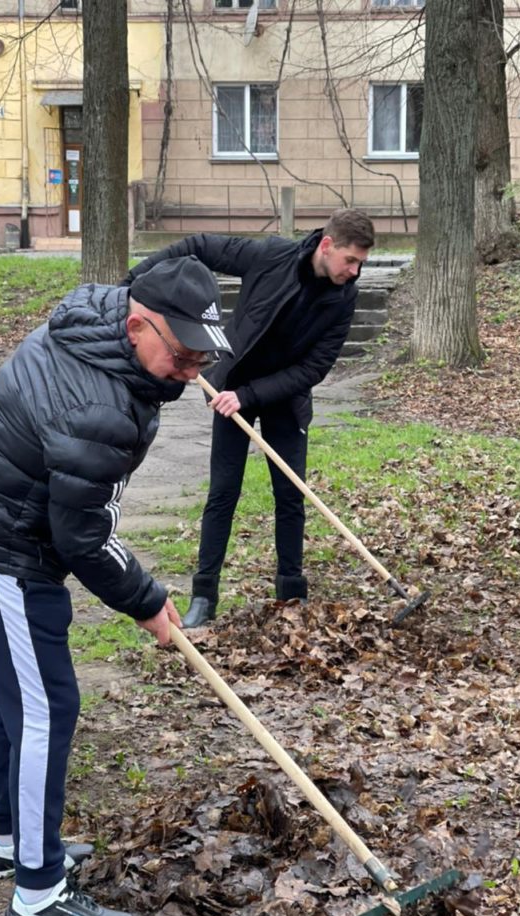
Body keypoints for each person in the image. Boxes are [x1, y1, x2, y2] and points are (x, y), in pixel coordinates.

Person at [0, 256, 231, 916]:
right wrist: (150, 601)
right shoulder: (97, 406)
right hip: (4, 545)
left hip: (3, 525)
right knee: (46, 706)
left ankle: (11, 843)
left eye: (203, 356)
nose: (192, 373)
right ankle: (38, 895)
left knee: (20, 695)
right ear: (137, 325)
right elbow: (84, 538)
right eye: (182, 355)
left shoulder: (99, 327)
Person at [123, 208, 375, 628]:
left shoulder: (344, 298)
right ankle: (204, 595)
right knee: (223, 494)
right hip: (229, 390)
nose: (354, 271)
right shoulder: (271, 256)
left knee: (290, 496)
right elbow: (199, 247)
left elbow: (314, 369)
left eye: (360, 264)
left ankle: (291, 593)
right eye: (351, 260)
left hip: (285, 399)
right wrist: (134, 281)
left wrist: (249, 396)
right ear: (327, 246)